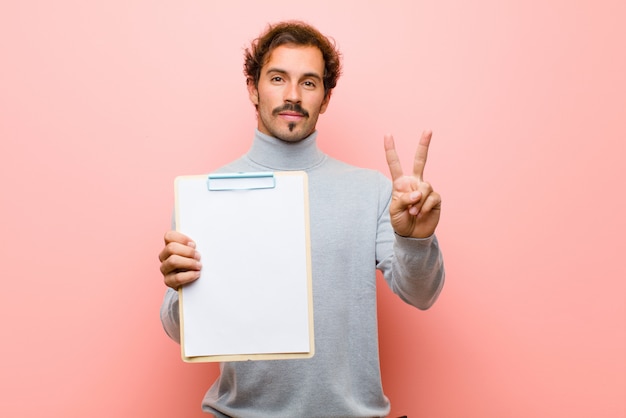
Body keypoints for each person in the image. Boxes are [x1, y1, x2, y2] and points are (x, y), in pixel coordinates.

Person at [159, 20, 445, 418]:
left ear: (325, 97)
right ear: (252, 88)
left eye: (309, 83)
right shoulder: (207, 193)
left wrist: (416, 240)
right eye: (278, 78)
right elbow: (179, 331)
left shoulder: (372, 190)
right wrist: (180, 288)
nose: (292, 95)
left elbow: (422, 294)